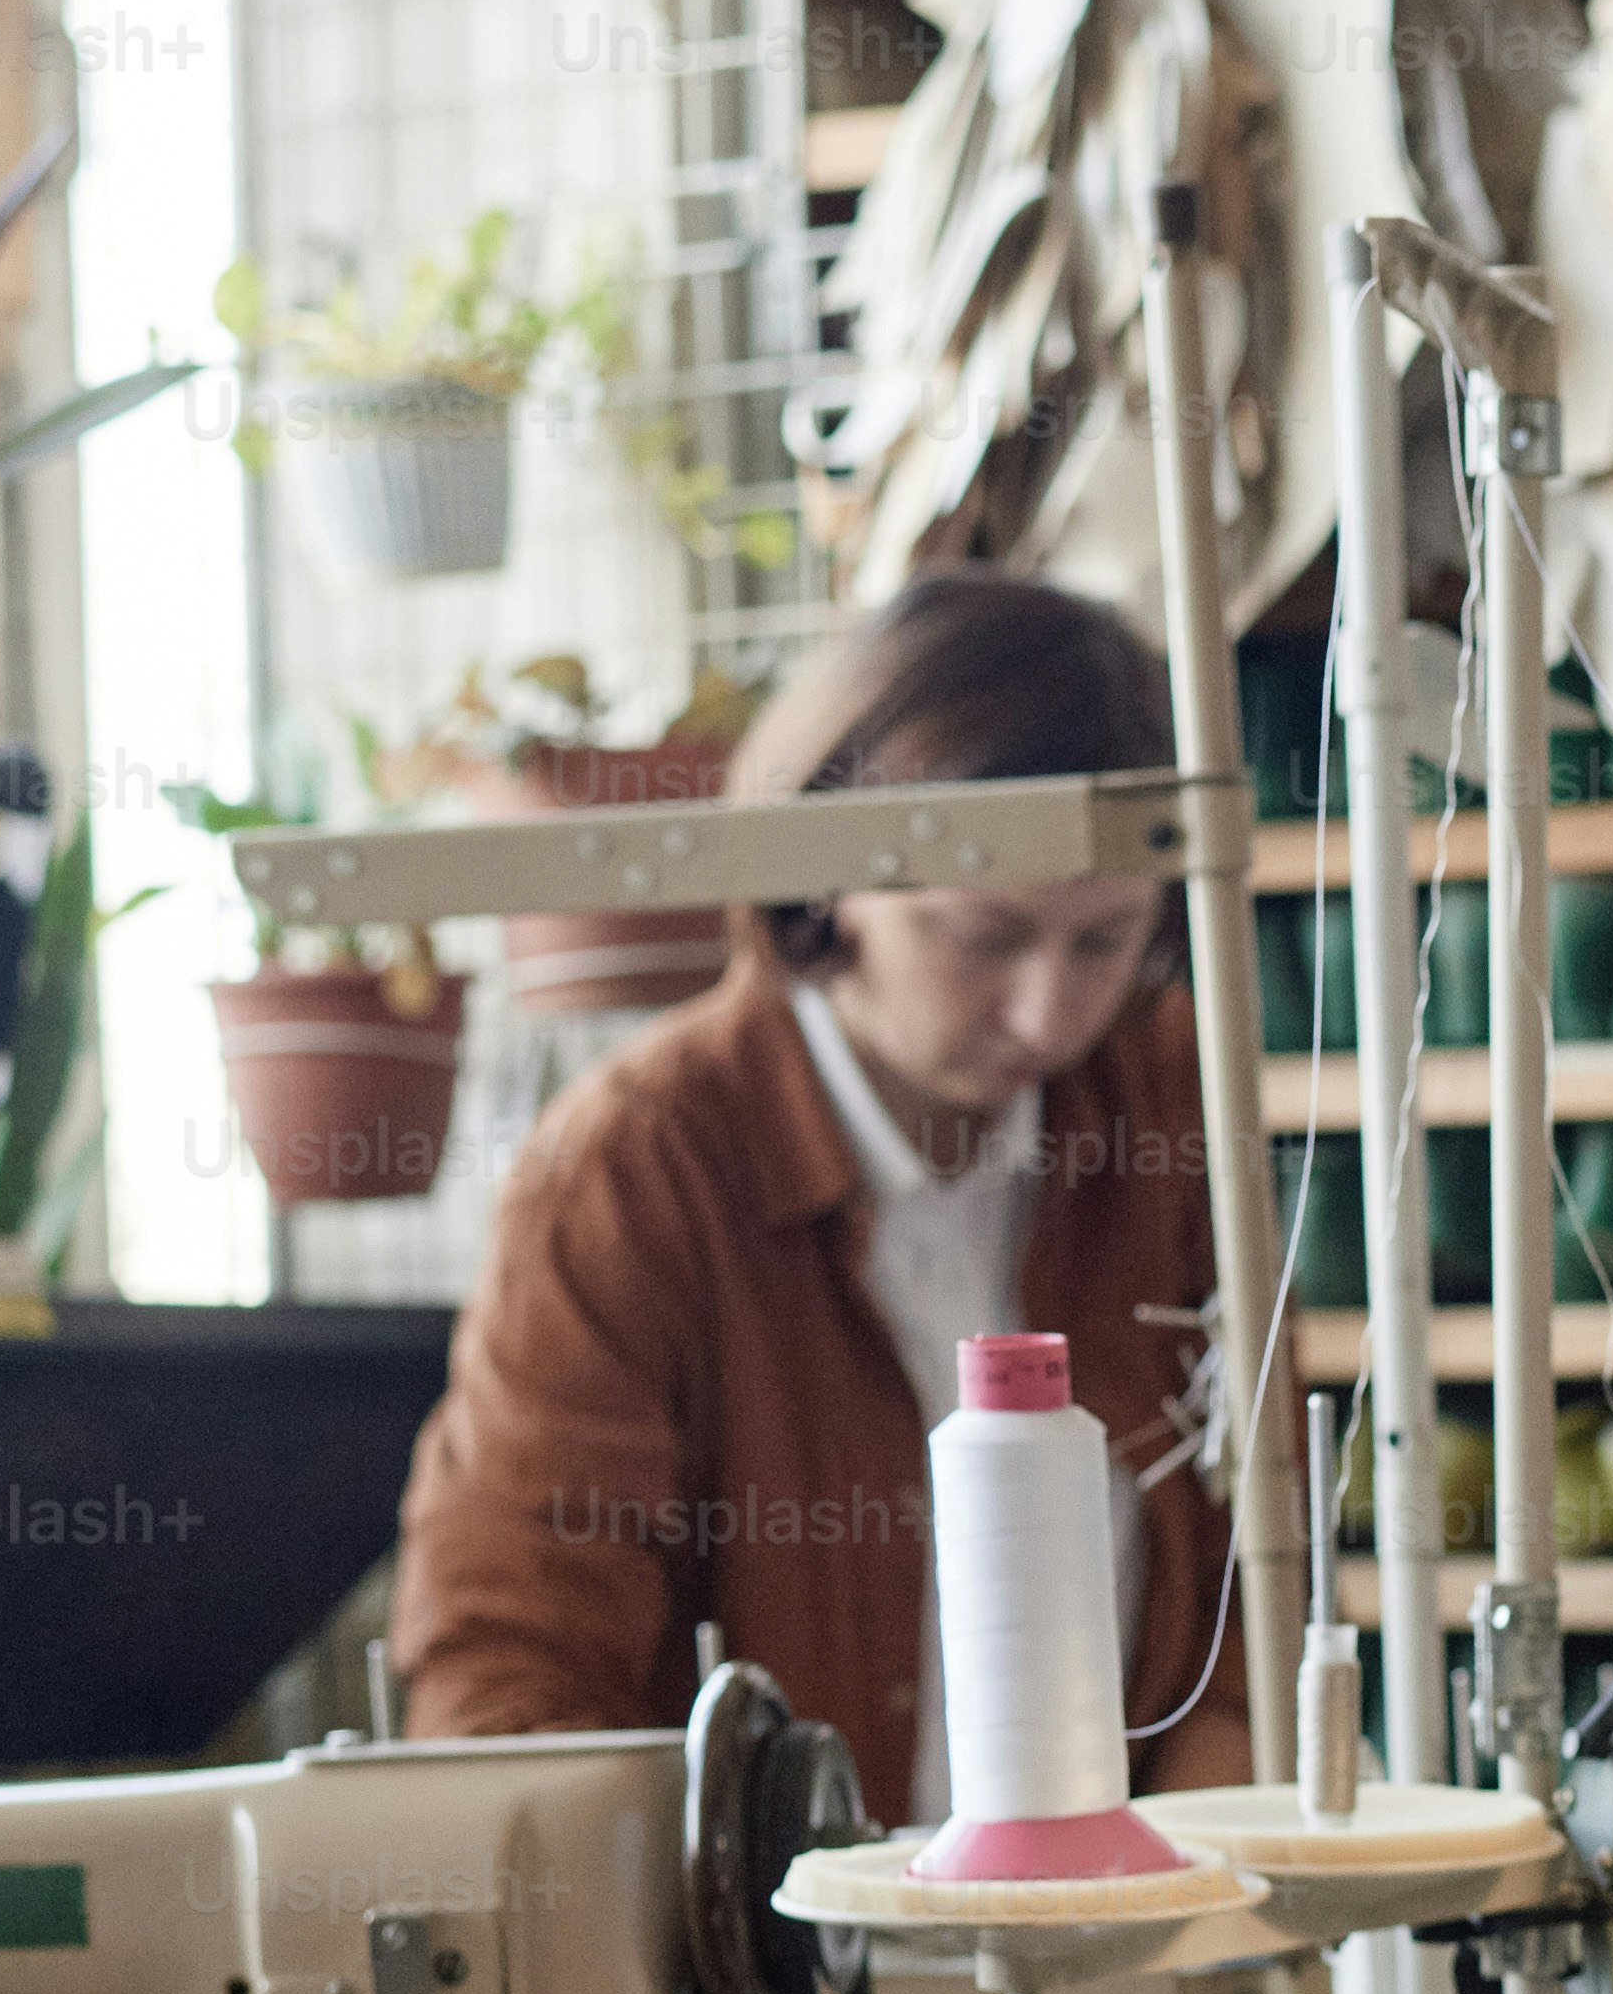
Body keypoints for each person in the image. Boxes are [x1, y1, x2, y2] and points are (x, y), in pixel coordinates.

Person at [393, 573, 1233, 1817]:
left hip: (1124, 1946)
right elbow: (509, 1674)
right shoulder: (629, 1179)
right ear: (826, 879)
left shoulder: (1160, 1108)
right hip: (775, 1979)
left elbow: (1250, 1599)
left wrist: (1203, 1932)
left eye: (1101, 942)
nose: (1048, 1012)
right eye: (987, 937)